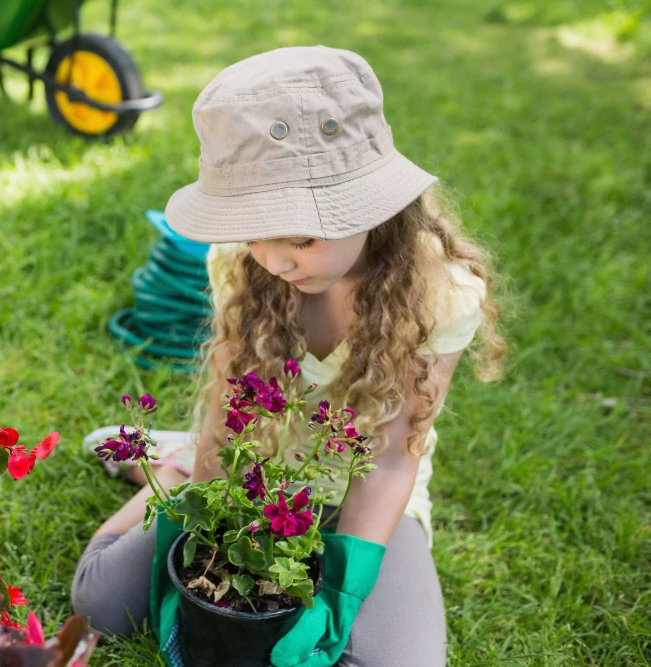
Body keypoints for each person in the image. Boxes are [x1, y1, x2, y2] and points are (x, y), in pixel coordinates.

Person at [72, 45, 507, 666]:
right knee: (103, 604)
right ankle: (167, 469)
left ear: (371, 208)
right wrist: (204, 511)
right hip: (256, 471)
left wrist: (337, 593)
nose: (274, 261)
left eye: (300, 239)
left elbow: (385, 468)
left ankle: (164, 459)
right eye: (256, 232)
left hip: (356, 494)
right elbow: (231, 411)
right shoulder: (242, 266)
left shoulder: (438, 296)